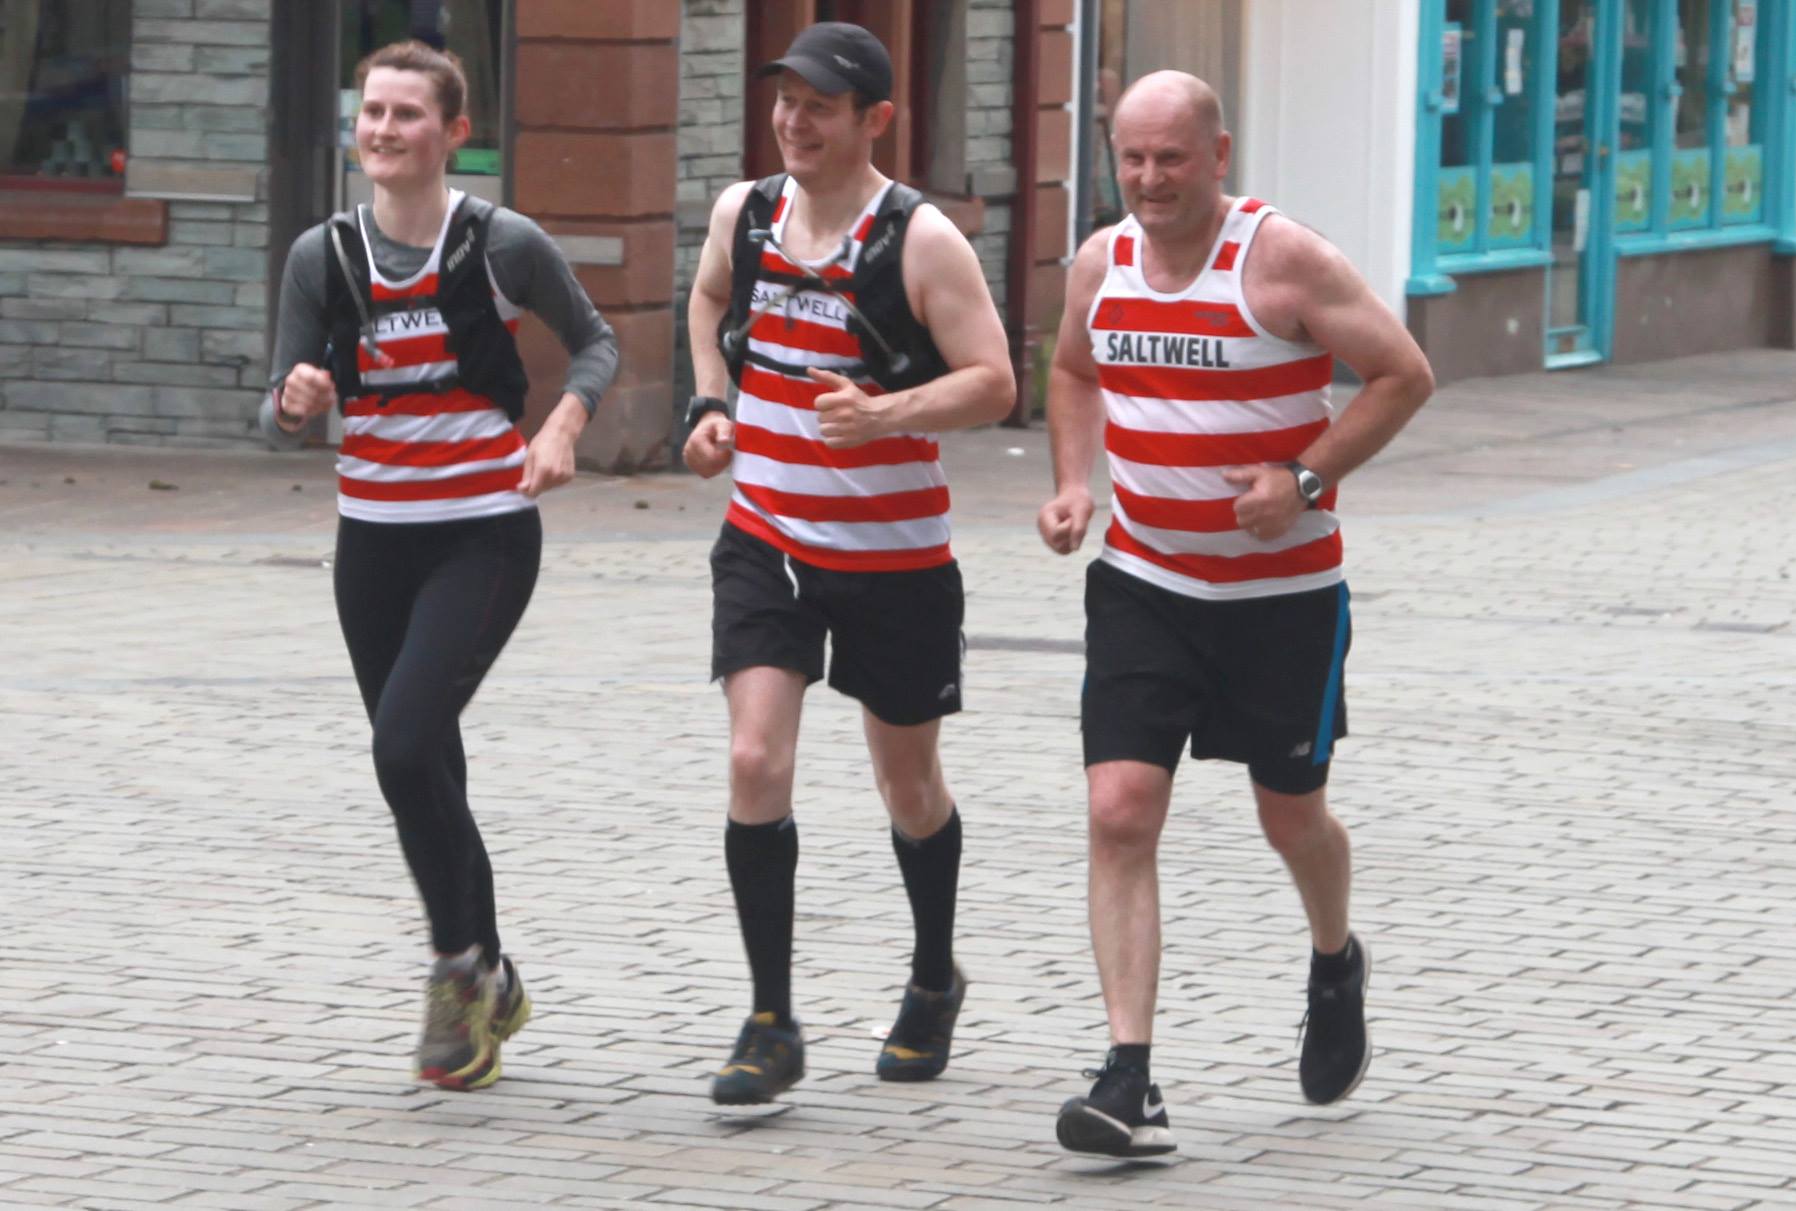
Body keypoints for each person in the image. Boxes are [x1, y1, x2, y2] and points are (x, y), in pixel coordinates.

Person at [1036, 70, 1435, 1156]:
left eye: (1171, 158)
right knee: (1119, 808)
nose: (1149, 179)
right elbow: (1069, 369)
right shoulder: (1098, 261)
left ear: (1218, 155)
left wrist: (1301, 481)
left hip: (1281, 600)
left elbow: (1401, 374)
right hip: (1145, 582)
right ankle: (1128, 1075)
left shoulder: (1283, 259)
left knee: (1289, 815)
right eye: (1131, 157)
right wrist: (1075, 482)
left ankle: (1332, 956)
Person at [259, 40, 617, 1092]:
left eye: (406, 114)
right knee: (427, 761)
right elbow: (277, 398)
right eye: (369, 111)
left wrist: (560, 426)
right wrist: (292, 403)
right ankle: (493, 973)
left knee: (404, 741)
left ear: (454, 132)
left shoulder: (499, 243)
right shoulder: (320, 255)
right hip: (369, 542)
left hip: (482, 533)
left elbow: (595, 342)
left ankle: (456, 965)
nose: (380, 130)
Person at [681, 21, 1016, 1105]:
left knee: (905, 781)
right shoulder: (747, 212)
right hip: (766, 540)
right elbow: (706, 301)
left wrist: (886, 414)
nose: (793, 120)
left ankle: (931, 974)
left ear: (873, 119)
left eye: (818, 106)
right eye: (785, 100)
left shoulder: (920, 243)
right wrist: (710, 403)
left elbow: (995, 381)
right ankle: (770, 1018)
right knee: (751, 761)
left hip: (893, 558)